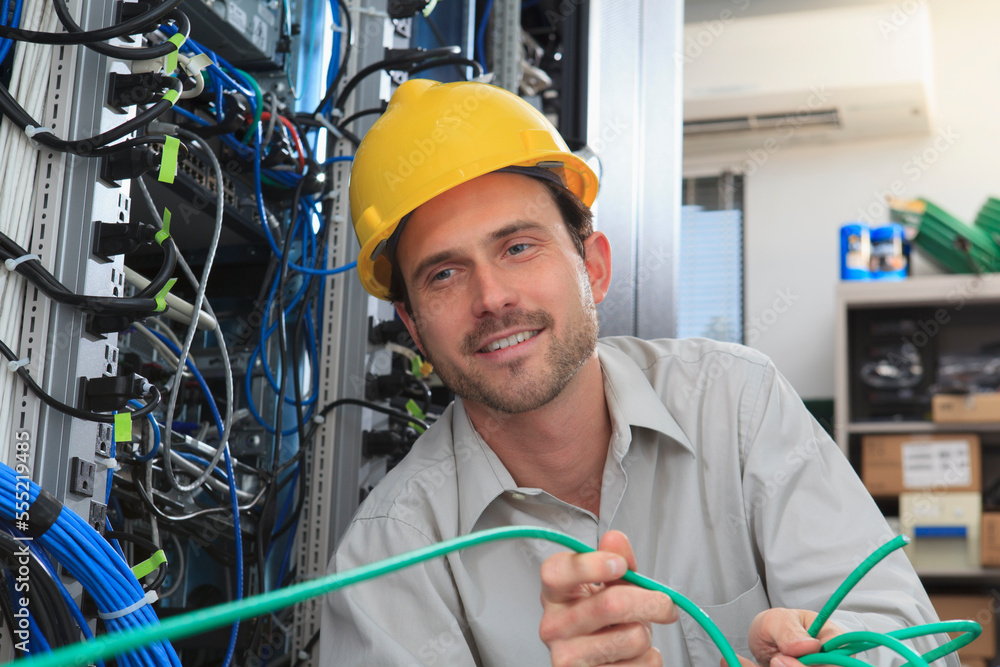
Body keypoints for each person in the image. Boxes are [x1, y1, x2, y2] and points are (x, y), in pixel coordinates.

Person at [319, 79, 951, 667]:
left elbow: (917, 645)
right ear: (412, 325)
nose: (491, 297)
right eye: (444, 274)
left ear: (592, 265)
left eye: (518, 247)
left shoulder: (736, 405)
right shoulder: (389, 556)